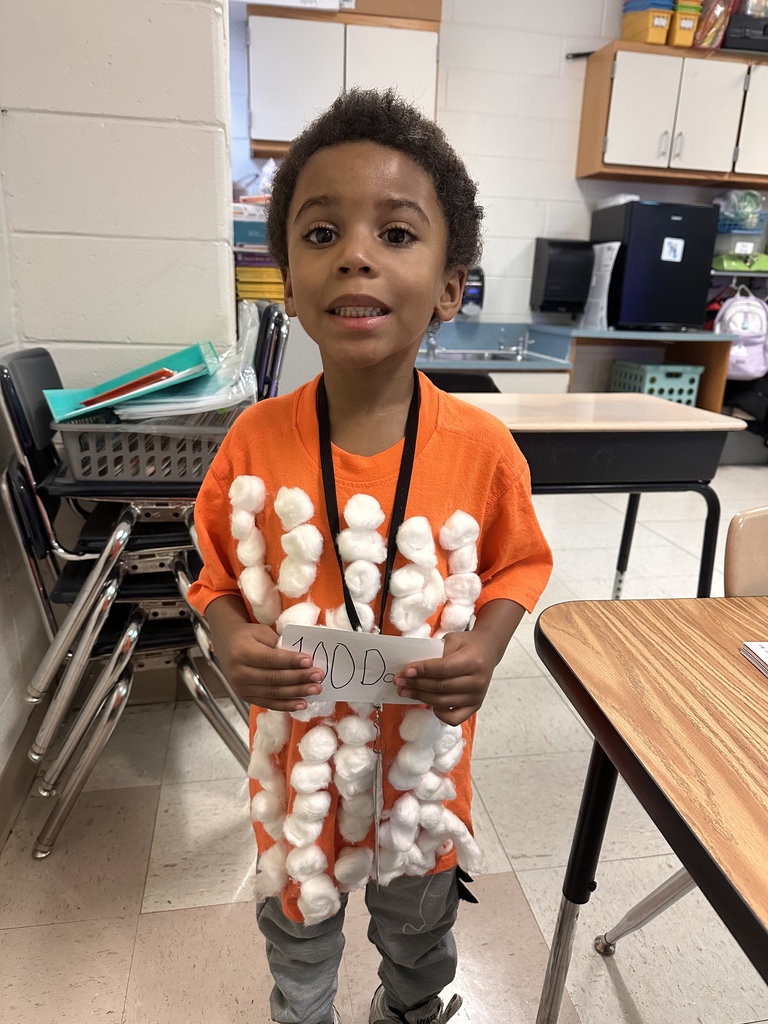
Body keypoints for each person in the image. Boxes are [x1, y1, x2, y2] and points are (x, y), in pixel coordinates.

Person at [187, 88, 552, 1024]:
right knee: (299, 947)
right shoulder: (250, 446)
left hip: (420, 787)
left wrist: (487, 647)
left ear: (449, 286)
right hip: (296, 784)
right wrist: (230, 638)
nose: (355, 253)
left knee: (419, 941)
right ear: (287, 279)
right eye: (320, 235)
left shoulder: (482, 451)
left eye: (396, 234)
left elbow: (516, 566)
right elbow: (216, 576)